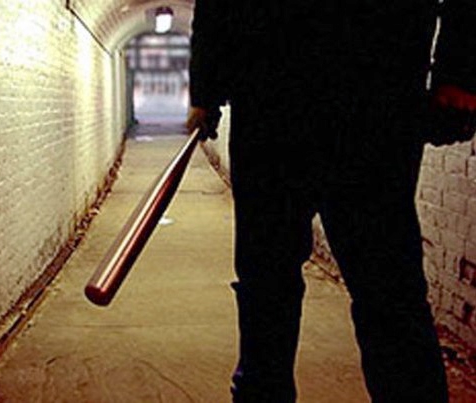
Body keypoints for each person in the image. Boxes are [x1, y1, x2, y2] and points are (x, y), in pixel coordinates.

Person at [186, 1, 476, 402]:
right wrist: (206, 89)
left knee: (384, 287)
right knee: (269, 279)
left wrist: (459, 72)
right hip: (282, 99)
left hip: (369, 97)